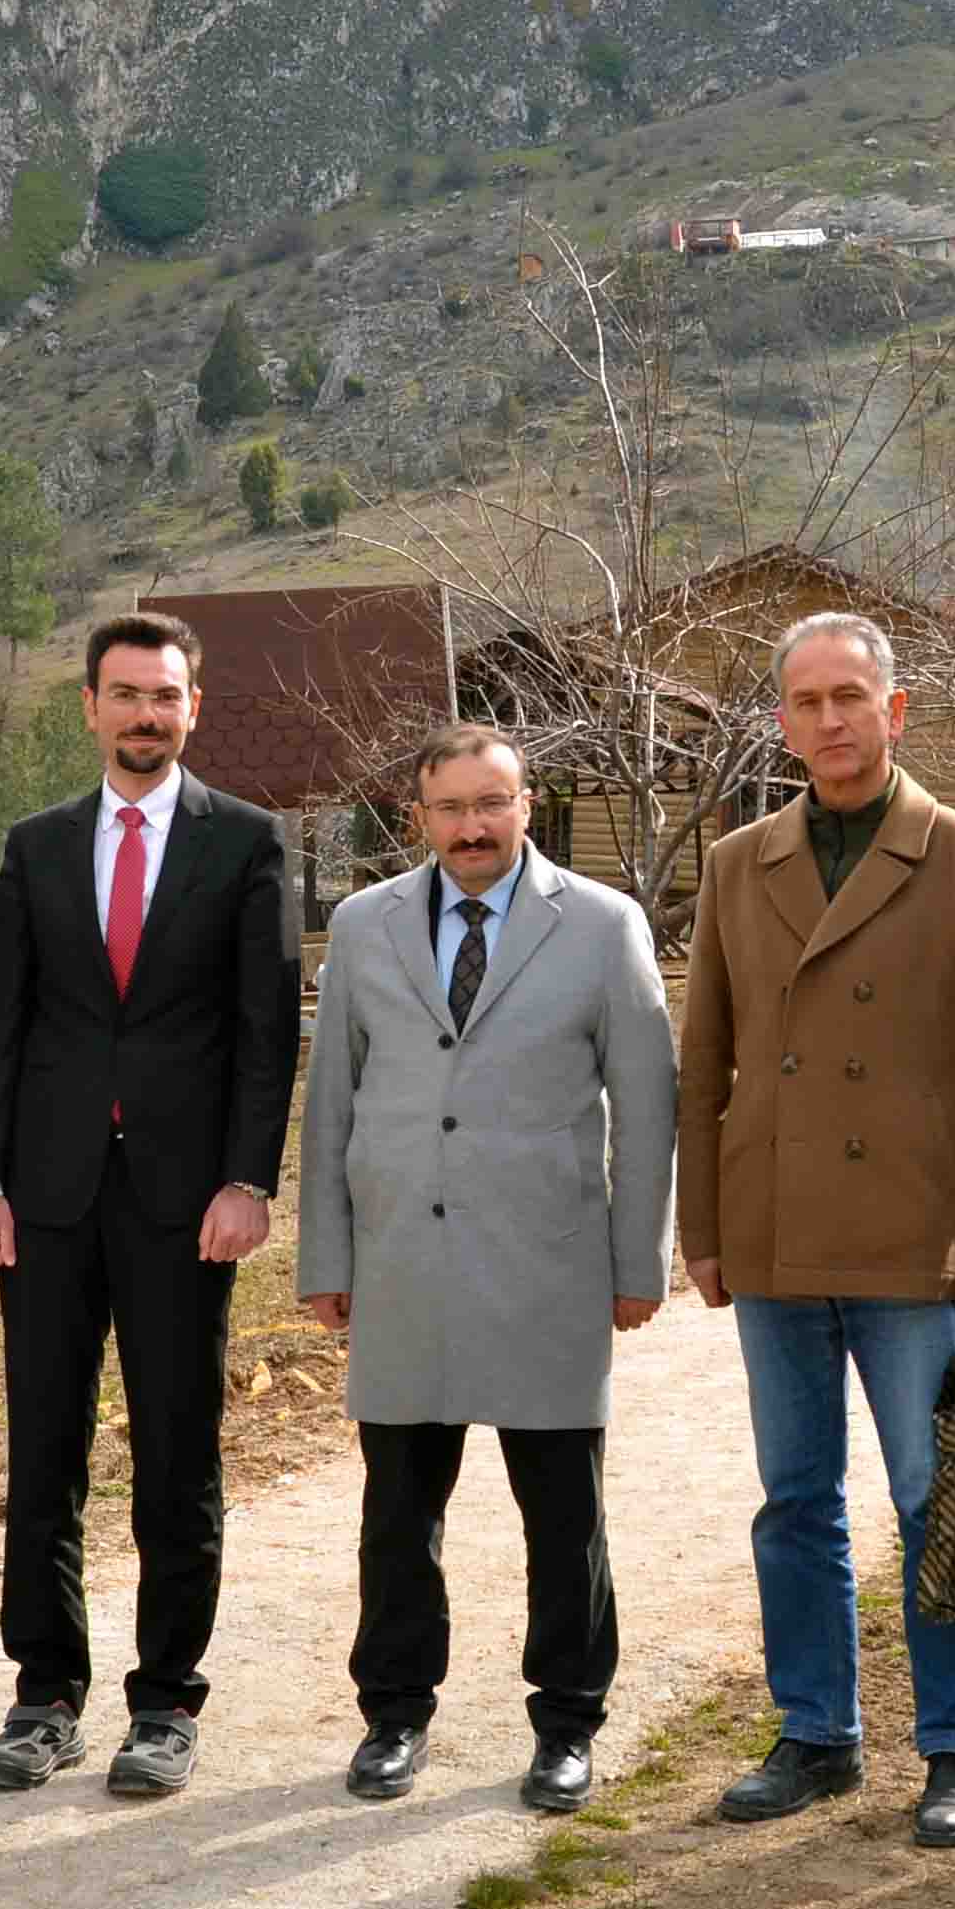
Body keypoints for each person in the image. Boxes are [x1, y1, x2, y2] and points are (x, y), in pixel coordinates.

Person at [677, 610, 955, 1850]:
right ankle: (817, 1732)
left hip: (916, 1240)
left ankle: (954, 1747)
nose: (830, 719)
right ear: (779, 721)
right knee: (794, 1498)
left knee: (934, 1493)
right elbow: (706, 1058)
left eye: (852, 696)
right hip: (775, 1228)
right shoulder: (737, 861)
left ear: (897, 710)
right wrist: (704, 1222)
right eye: (806, 700)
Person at [297, 723, 678, 1815]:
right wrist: (328, 1253)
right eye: (451, 807)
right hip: (403, 1268)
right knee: (398, 1514)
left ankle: (566, 1722)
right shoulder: (365, 926)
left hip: (547, 1268)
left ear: (529, 802)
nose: (473, 826)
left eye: (493, 803)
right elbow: (332, 1106)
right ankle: (395, 1714)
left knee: (565, 1519)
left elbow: (645, 1109)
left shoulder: (604, 926)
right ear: (419, 814)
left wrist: (636, 1259)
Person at [0, 611, 300, 1797]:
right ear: (90, 706)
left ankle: (165, 1701)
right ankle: (43, 1693)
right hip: (45, 1196)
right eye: (125, 694)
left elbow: (267, 1029)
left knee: (176, 1453)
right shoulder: (39, 843)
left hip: (182, 1200)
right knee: (42, 1447)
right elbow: (4, 1021)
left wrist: (249, 1178)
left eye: (166, 695)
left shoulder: (248, 841)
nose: (146, 714)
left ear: (191, 707)